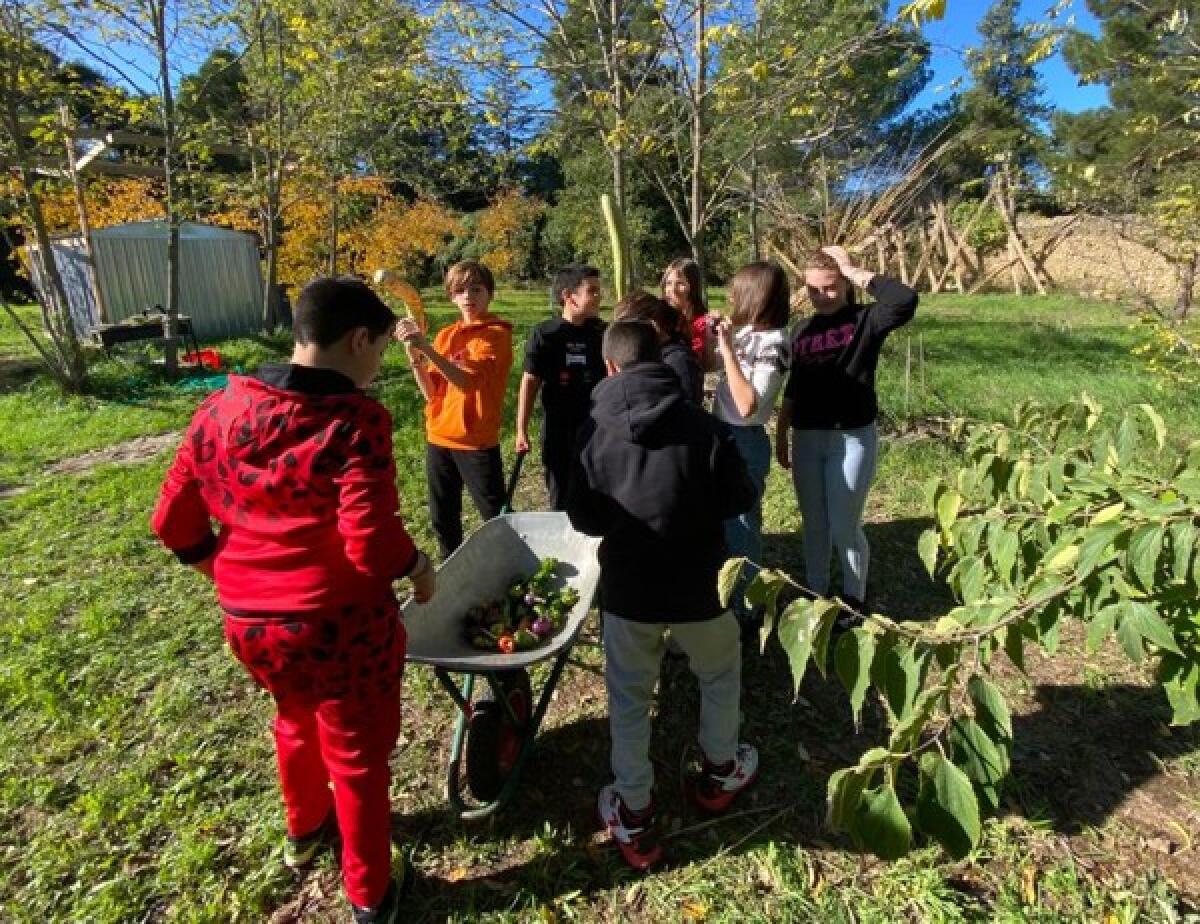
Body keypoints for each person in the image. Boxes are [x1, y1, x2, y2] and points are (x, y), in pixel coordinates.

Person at [150, 276, 436, 924]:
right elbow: (369, 545)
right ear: (359, 338)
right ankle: (370, 894)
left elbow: (172, 518)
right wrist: (418, 567)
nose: (379, 364)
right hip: (340, 626)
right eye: (382, 349)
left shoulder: (220, 410)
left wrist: (226, 573)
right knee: (358, 756)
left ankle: (306, 830)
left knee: (292, 715)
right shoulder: (355, 421)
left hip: (251, 626)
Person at [566, 320, 759, 871]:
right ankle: (721, 770)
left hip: (629, 591)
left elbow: (583, 515)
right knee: (719, 675)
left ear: (610, 367)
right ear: (661, 360)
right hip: (701, 586)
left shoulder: (593, 432)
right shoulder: (702, 428)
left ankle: (634, 808)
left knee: (629, 698)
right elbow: (740, 495)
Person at [775, 245, 918, 621]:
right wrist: (781, 435)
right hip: (807, 437)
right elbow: (794, 385)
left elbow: (905, 299)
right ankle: (816, 593)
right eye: (813, 289)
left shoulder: (865, 319)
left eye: (830, 287)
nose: (821, 296)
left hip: (851, 437)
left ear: (845, 286)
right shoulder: (801, 330)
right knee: (814, 523)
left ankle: (854, 601)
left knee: (844, 523)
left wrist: (853, 270)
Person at [396, 260, 513, 559]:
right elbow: (432, 392)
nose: (468, 297)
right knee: (443, 518)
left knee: (496, 517)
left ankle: (513, 574)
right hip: (439, 439)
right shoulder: (446, 335)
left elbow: (466, 382)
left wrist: (426, 348)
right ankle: (452, 574)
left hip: (476, 441)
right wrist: (415, 356)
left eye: (476, 289)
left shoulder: (495, 335)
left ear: (489, 294)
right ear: (451, 296)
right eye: (460, 290)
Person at [711, 262, 792, 632]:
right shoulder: (745, 333)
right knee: (723, 523)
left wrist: (728, 351)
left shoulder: (775, 343)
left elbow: (748, 405)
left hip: (744, 439)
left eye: (737, 290)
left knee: (742, 526)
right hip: (720, 432)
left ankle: (748, 608)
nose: (731, 296)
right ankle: (729, 598)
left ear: (756, 296)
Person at [514, 264, 607, 509]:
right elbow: (530, 382)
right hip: (558, 428)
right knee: (560, 494)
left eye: (599, 291)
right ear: (568, 296)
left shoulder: (602, 332)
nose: (599, 296)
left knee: (596, 494)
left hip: (596, 427)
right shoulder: (545, 334)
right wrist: (521, 429)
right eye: (592, 291)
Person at [613, 290, 704, 404]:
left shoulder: (678, 361)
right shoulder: (643, 355)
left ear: (652, 324)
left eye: (627, 329)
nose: (624, 336)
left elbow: (689, 409)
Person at [661, 257, 712, 360]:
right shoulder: (658, 317)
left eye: (680, 283)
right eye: (668, 283)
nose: (673, 289)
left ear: (693, 286)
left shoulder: (703, 323)